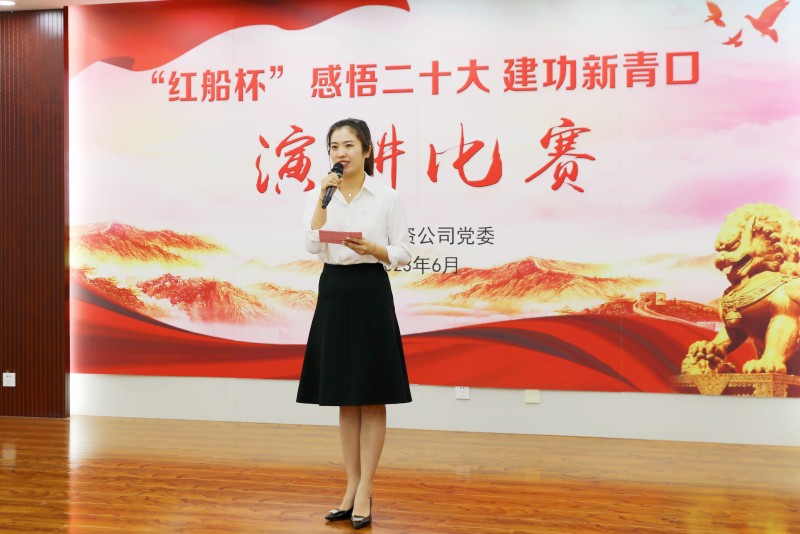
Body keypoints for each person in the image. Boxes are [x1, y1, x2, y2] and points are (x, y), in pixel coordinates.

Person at [296, 118, 413, 530]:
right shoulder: (322, 192)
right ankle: (349, 487)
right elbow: (311, 242)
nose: (340, 153)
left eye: (348, 145)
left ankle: (366, 488)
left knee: (371, 393)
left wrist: (375, 248)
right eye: (334, 146)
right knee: (345, 396)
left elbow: (404, 251)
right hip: (334, 290)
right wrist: (321, 197)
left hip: (370, 290)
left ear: (367, 150)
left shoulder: (387, 196)